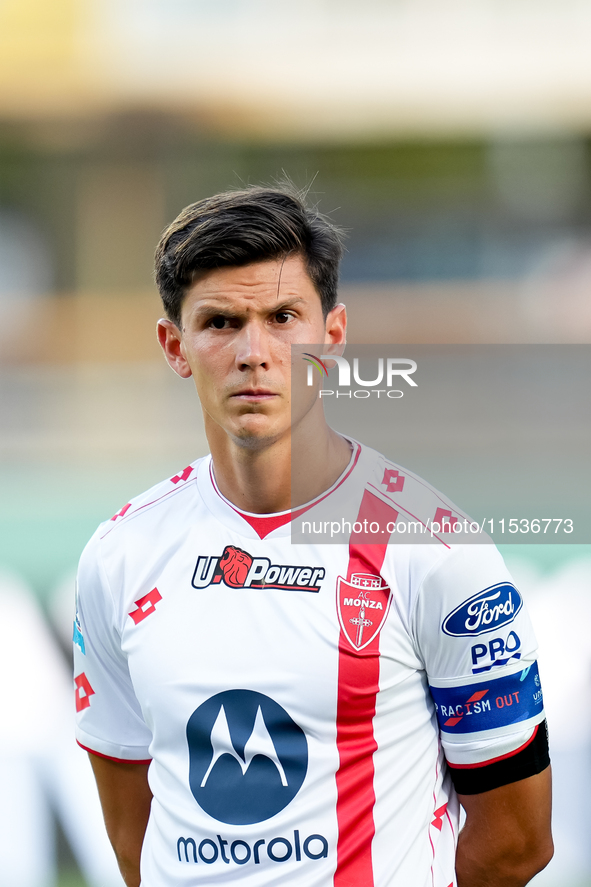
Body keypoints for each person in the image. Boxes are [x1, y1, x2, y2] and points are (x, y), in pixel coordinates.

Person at [73, 185, 553, 887]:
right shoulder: (119, 556)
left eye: (282, 317)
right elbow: (130, 829)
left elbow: (516, 840)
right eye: (221, 322)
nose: (254, 351)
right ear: (174, 346)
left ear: (332, 334)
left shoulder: (438, 554)